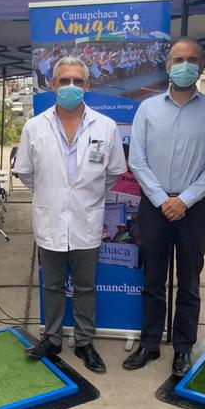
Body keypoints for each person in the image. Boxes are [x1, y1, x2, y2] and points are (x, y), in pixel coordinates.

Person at [14, 56, 127, 372]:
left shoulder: (104, 126)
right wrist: (55, 194)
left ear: (88, 86)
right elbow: (26, 172)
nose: (71, 87)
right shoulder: (34, 126)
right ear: (52, 85)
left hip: (86, 220)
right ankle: (51, 338)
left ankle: (85, 342)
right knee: (50, 285)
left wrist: (81, 195)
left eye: (78, 81)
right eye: (64, 81)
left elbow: (113, 172)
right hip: (50, 220)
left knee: (85, 287)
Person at [125, 38, 205, 376]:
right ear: (168, 66)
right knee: (153, 279)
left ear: (201, 66)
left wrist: (183, 200)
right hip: (154, 206)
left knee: (189, 283)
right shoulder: (147, 109)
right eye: (178, 59)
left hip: (193, 208)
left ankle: (183, 349)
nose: (184, 65)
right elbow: (136, 159)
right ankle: (150, 344)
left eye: (192, 59)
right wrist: (162, 199)